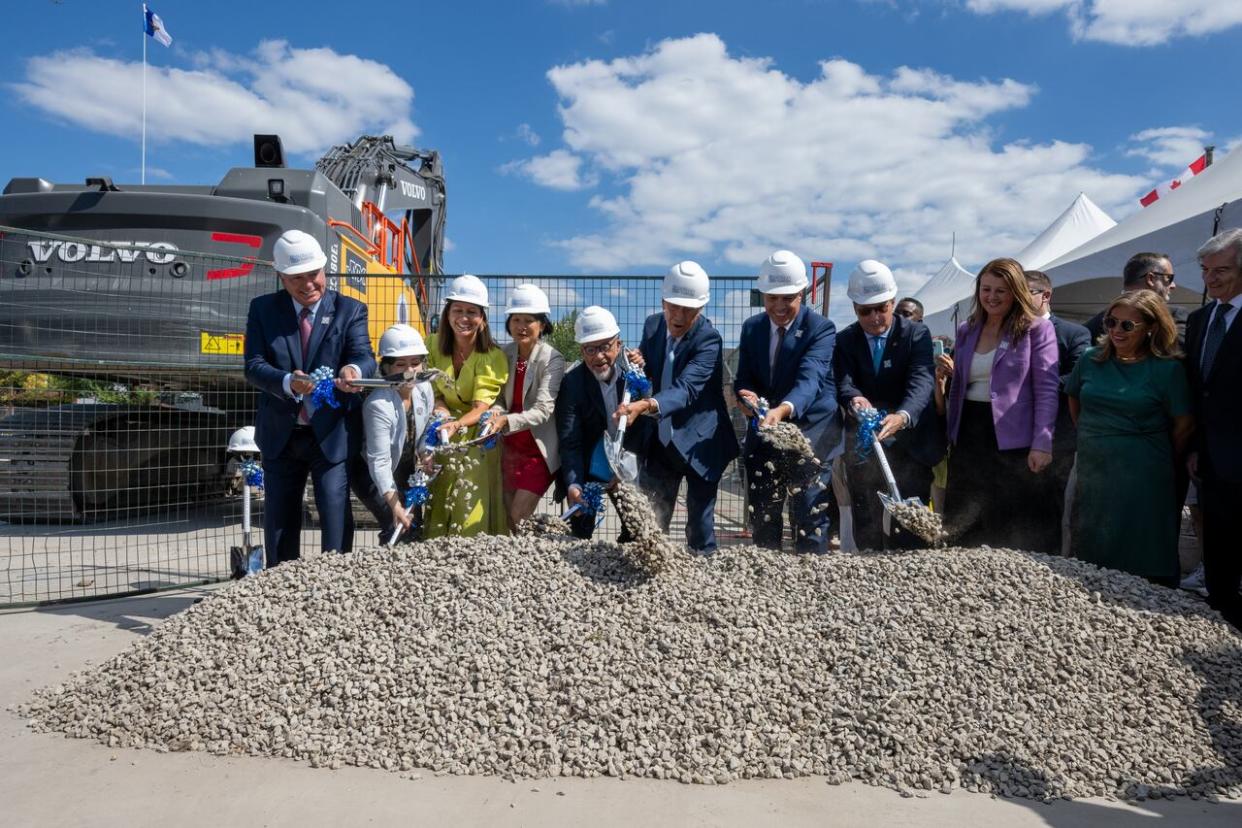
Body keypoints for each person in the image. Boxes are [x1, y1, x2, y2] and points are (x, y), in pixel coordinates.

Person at [243, 229, 375, 565]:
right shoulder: (263, 310)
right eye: (296, 278)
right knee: (279, 527)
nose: (308, 285)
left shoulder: (350, 310)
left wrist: (353, 372)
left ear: (324, 270)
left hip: (331, 435)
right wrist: (288, 381)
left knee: (335, 521)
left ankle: (333, 592)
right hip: (281, 436)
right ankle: (282, 592)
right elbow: (254, 366)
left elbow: (364, 356)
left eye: (313, 275)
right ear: (281, 277)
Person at [1067, 291, 1194, 584]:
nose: (1115, 330)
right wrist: (1096, 434)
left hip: (1145, 470)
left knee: (1144, 543)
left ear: (1151, 327)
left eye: (1127, 325)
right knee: (1095, 541)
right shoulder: (1090, 359)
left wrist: (1149, 449)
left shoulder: (1168, 369)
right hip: (1095, 464)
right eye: (1111, 322)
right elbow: (1074, 400)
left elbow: (1184, 424)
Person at [615, 262, 739, 554]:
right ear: (663, 302)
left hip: (700, 443)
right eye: (674, 307)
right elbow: (650, 371)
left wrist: (645, 405)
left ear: (701, 309)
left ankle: (703, 578)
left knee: (700, 525)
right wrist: (639, 362)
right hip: (661, 441)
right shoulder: (653, 325)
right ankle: (649, 575)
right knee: (650, 520)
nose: (680, 316)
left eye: (689, 310)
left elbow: (687, 389)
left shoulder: (709, 339)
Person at [939, 257, 1059, 552]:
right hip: (968, 430)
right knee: (963, 513)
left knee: (1005, 516)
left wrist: (1042, 442)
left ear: (1016, 291)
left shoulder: (1036, 330)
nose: (991, 297)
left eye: (1000, 291)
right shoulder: (968, 330)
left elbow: (1046, 388)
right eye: (985, 289)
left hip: (1011, 437)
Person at [734, 250, 840, 553]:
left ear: (802, 293)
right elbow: (745, 377)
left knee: (809, 511)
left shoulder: (820, 328)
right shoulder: (752, 328)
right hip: (765, 430)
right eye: (772, 298)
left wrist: (782, 410)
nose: (779, 306)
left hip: (810, 432)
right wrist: (745, 397)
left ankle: (811, 578)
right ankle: (767, 578)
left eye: (788, 298)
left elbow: (811, 378)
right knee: (764, 512)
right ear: (763, 294)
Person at [833, 260, 939, 550]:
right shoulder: (845, 340)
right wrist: (854, 397)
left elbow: (921, 381)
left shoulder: (916, 334)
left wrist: (903, 416)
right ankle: (869, 567)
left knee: (911, 523)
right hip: (865, 443)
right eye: (866, 311)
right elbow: (843, 381)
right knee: (866, 512)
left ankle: (912, 571)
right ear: (855, 308)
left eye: (882, 307)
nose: (875, 316)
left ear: (893, 302)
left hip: (910, 443)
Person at [1185, 228, 1242, 628]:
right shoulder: (1200, 318)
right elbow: (1196, 389)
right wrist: (1193, 447)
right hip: (1209, 455)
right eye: (1206, 270)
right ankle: (1221, 611)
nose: (1210, 279)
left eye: (1221, 270)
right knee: (1218, 539)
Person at [423, 275, 509, 537]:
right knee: (439, 493)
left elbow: (481, 406)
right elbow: (433, 389)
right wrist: (441, 411)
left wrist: (457, 423)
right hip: (442, 430)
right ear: (447, 313)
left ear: (482, 318)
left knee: (469, 497)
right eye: (458, 310)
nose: (464, 317)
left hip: (475, 435)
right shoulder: (431, 345)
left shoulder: (492, 356)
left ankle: (473, 552)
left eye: (472, 311)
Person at [489, 284, 566, 531]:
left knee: (519, 514)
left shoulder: (552, 358)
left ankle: (539, 556)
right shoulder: (505, 353)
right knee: (508, 518)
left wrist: (506, 421)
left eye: (529, 320)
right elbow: (500, 397)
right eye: (516, 319)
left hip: (537, 451)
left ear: (542, 325)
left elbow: (544, 409)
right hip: (509, 448)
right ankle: (518, 565)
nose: (521, 326)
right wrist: (496, 411)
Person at [1025, 269, 1090, 553]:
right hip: (1011, 438)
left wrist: (1026, 387)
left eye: (1023, 293)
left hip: (1056, 439)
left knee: (1052, 510)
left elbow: (1077, 378)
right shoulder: (1005, 332)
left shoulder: (1074, 334)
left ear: (1045, 295)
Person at [555, 306, 630, 540]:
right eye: (590, 349)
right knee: (579, 529)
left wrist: (626, 470)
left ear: (618, 344)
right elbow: (571, 441)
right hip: (590, 462)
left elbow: (645, 432)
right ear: (581, 350)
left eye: (605, 347)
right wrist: (574, 484)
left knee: (636, 527)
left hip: (629, 462)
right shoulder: (572, 384)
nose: (598, 356)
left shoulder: (634, 379)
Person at [357, 324, 436, 545]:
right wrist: (395, 506)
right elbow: (379, 462)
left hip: (404, 464)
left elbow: (422, 431)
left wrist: (426, 454)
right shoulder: (379, 404)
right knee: (396, 523)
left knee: (414, 524)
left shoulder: (424, 388)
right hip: (371, 471)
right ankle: (386, 573)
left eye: (415, 363)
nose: (409, 370)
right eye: (400, 364)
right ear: (387, 368)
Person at [1085, 252, 1182, 344]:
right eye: (1169, 278)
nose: (1173, 285)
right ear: (1151, 279)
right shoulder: (1174, 316)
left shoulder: (1091, 327)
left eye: (1127, 325)